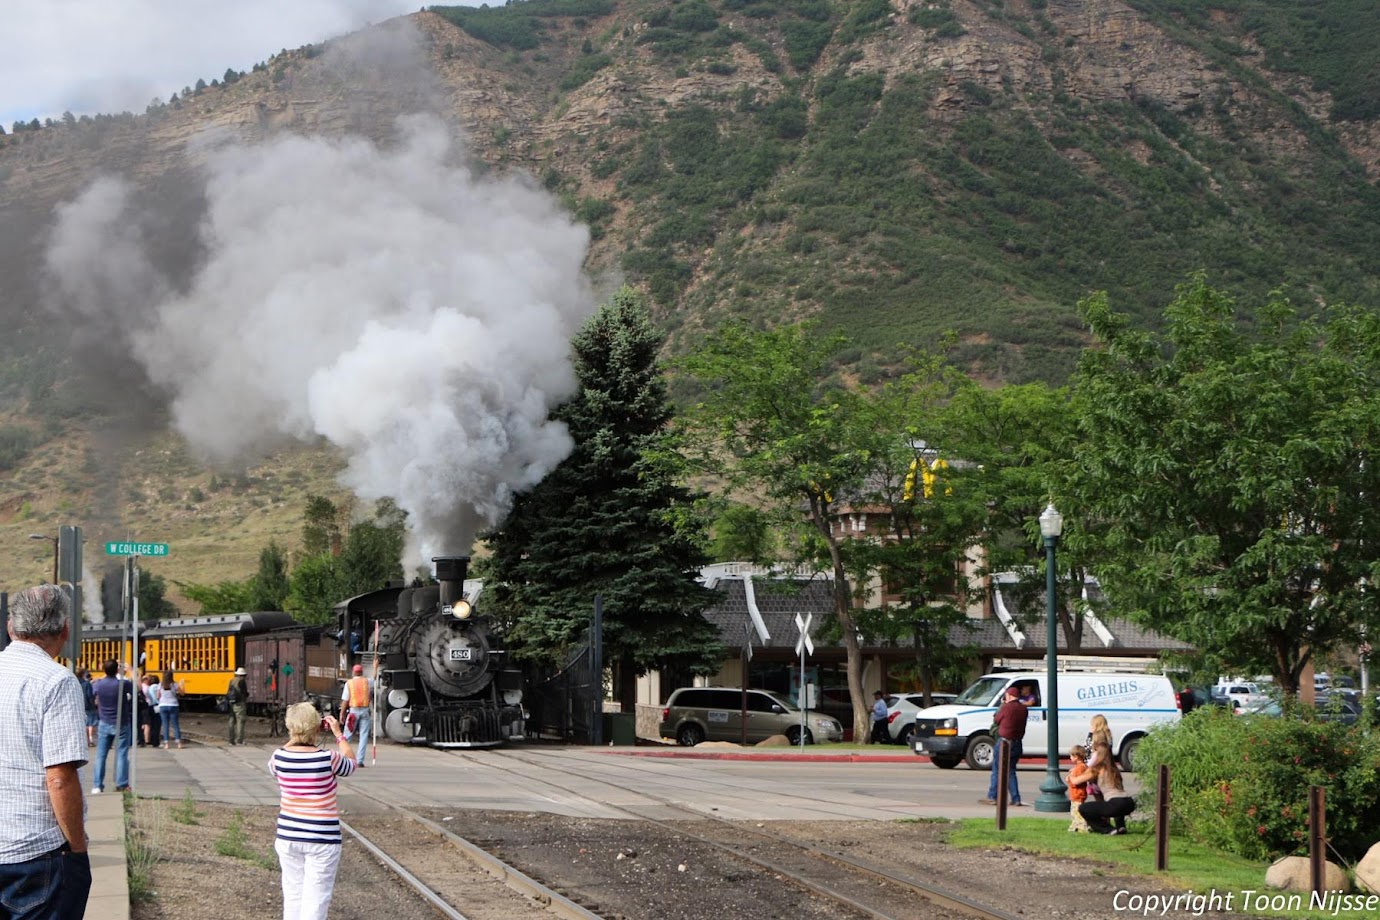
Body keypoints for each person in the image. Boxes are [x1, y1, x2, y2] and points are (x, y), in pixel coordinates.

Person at [0, 584, 92, 920]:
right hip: (34, 855)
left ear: (11, 627)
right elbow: (59, 778)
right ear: (65, 629)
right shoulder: (56, 682)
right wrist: (77, 848)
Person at [268, 702, 356, 920]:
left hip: (289, 836)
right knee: (316, 900)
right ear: (317, 728)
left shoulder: (278, 757)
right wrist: (339, 734)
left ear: (290, 727)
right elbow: (352, 764)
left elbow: (280, 759)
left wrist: (296, 736)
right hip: (322, 838)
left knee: (293, 895)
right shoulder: (328, 758)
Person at [90, 659, 136, 794]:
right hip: (121, 723)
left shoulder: (98, 684)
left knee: (100, 755)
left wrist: (104, 675)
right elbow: (137, 688)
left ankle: (97, 785)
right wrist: (131, 671)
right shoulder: (123, 684)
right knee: (121, 754)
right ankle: (121, 784)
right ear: (117, 670)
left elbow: (93, 694)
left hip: (104, 722)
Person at [980, 685, 1028, 806]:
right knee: (1011, 771)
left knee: (997, 770)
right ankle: (1016, 798)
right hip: (1017, 742)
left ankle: (992, 796)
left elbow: (996, 720)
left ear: (1009, 696)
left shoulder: (1006, 708)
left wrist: (1003, 705)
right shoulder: (1024, 709)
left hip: (1004, 742)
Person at [1076, 741, 1136, 834]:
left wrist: (1072, 774)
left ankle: (1108, 830)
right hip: (1129, 802)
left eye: (1093, 751)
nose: (1092, 754)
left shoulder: (1097, 768)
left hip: (1116, 804)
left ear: (1098, 754)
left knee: (1084, 808)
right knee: (1114, 803)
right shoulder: (1114, 769)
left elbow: (1077, 781)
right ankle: (1120, 826)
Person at [340, 664, 373, 766]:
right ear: (362, 672)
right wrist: (375, 667)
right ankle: (360, 761)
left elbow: (345, 700)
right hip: (365, 711)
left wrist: (342, 713)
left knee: (347, 735)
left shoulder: (349, 683)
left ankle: (343, 758)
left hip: (353, 712)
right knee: (363, 736)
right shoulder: (367, 682)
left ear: (353, 672)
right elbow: (375, 678)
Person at [1065, 745, 1098, 832]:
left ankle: (1083, 827)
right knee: (1074, 811)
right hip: (1077, 794)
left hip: (1078, 794)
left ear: (1076, 757)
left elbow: (1076, 781)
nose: (1070, 758)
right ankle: (1075, 825)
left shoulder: (1080, 768)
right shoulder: (1081, 767)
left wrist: (1070, 777)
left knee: (1077, 812)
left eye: (1071, 756)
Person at [159, 669, 184, 749]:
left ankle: (166, 744)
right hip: (173, 705)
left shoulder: (161, 685)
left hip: (163, 705)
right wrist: (182, 685)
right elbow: (182, 693)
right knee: (175, 724)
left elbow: (158, 696)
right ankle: (178, 743)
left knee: (165, 725)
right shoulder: (174, 684)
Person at [226, 667, 249, 746]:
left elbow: (228, 691)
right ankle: (239, 740)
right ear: (243, 675)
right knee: (240, 721)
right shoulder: (242, 681)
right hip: (239, 704)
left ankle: (231, 740)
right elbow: (245, 693)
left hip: (231, 704)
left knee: (231, 721)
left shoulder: (231, 681)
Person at [78, 668, 98, 747]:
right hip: (89, 706)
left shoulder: (76, 682)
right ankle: (91, 740)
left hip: (80, 705)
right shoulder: (87, 684)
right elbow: (90, 695)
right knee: (91, 724)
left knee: (85, 724)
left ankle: (86, 740)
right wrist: (93, 703)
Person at [141, 675, 162, 747]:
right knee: (157, 724)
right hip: (158, 705)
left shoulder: (149, 688)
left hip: (152, 706)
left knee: (152, 724)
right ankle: (156, 741)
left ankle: (152, 740)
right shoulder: (159, 686)